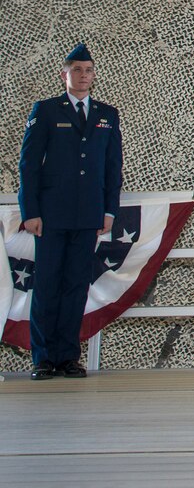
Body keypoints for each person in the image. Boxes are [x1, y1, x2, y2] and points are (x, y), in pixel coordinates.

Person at [18, 43, 123, 381]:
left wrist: (109, 210)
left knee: (76, 285)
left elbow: (112, 167)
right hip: (51, 214)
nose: (83, 76)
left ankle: (67, 357)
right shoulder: (47, 110)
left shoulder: (107, 114)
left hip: (89, 212)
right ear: (64, 74)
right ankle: (43, 358)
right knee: (47, 284)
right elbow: (29, 165)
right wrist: (30, 210)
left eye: (88, 70)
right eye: (76, 70)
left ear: (94, 75)